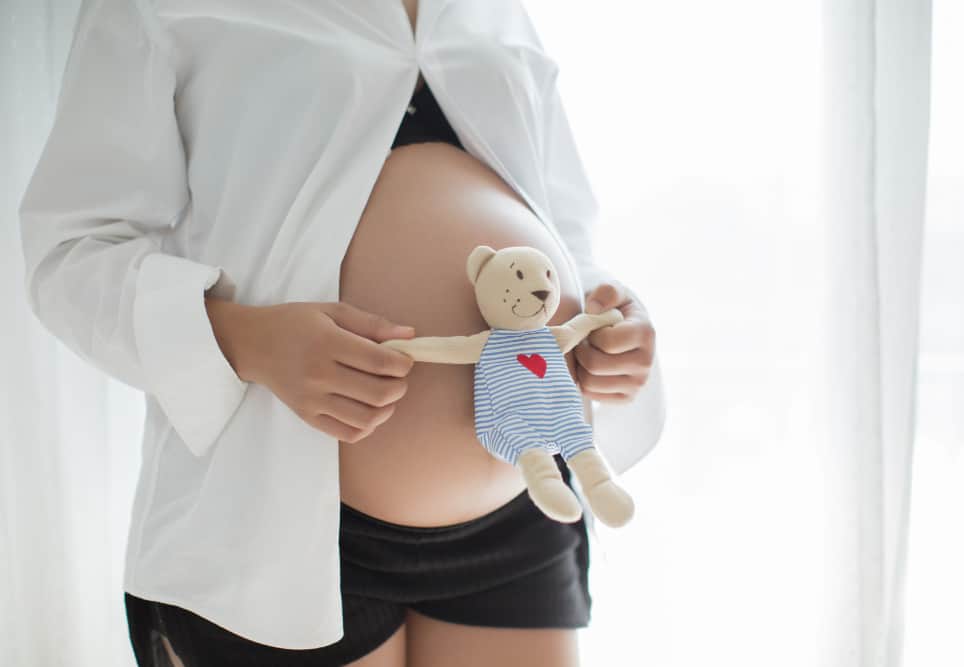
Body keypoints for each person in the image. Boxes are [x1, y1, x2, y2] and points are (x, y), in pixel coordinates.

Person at [18, 0, 666, 664]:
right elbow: (74, 251)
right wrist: (245, 337)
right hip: (277, 523)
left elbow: (564, 225)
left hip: (521, 516)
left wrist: (605, 324)